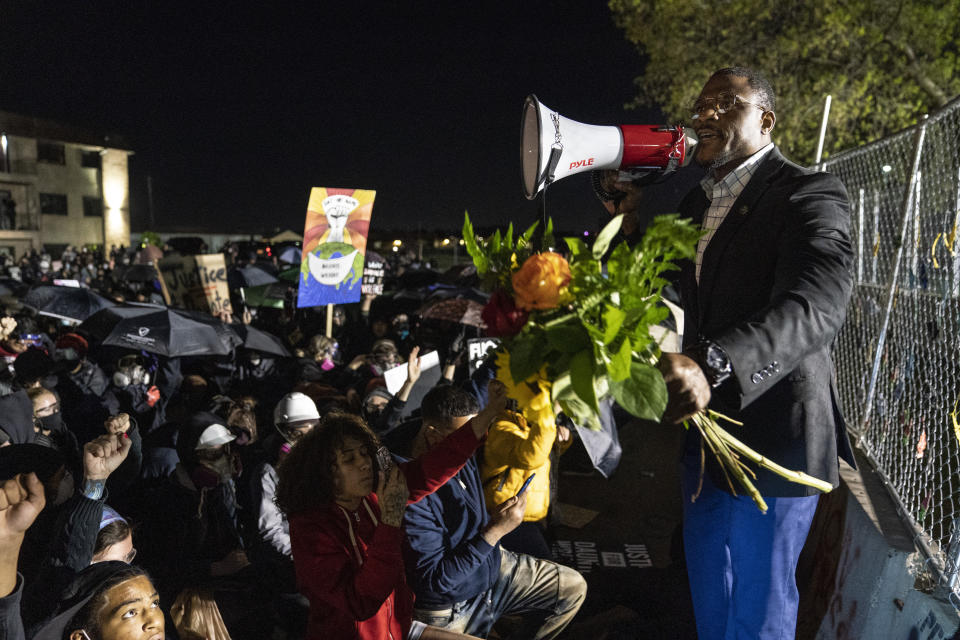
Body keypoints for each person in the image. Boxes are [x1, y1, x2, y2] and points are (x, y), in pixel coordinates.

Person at [645, 67, 855, 639]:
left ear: (764, 119)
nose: (705, 113)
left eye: (725, 103)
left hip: (773, 443)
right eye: (700, 104)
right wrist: (623, 213)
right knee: (712, 599)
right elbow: (665, 288)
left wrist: (713, 363)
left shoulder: (808, 193)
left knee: (759, 614)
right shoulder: (694, 203)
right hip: (705, 440)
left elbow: (816, 305)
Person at [276, 382, 507, 640]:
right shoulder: (311, 527)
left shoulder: (373, 493)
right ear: (325, 472)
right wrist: (390, 521)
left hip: (397, 628)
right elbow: (360, 602)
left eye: (365, 453)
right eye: (349, 459)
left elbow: (429, 468)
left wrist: (488, 415)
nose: (364, 464)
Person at [402, 386, 587, 639]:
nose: (479, 441)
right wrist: (496, 530)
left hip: (490, 569)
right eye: (467, 436)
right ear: (433, 436)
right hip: (452, 606)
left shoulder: (460, 446)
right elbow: (436, 583)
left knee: (572, 587)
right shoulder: (406, 490)